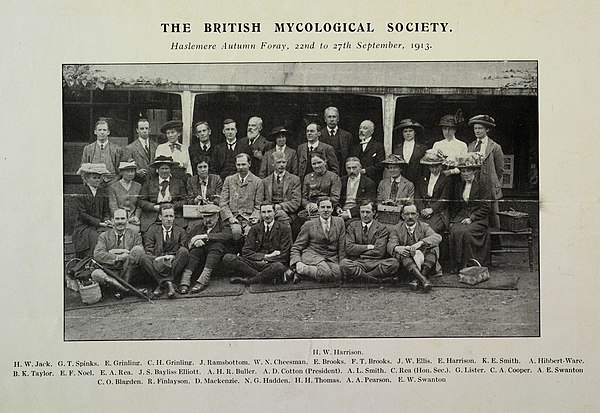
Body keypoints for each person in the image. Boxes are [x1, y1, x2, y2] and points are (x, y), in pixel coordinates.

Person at [225, 202, 293, 285]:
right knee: (228, 258)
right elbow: (246, 251)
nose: (266, 215)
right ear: (260, 214)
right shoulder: (254, 229)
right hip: (255, 262)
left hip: (271, 263)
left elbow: (284, 255)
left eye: (269, 211)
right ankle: (264, 277)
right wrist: (265, 257)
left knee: (278, 266)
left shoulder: (283, 229)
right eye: (263, 212)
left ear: (274, 212)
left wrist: (267, 260)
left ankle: (249, 281)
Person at [448, 153, 491, 273]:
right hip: (462, 216)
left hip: (479, 218)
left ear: (474, 171)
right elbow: (457, 206)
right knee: (454, 231)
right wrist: (452, 220)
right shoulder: (459, 186)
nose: (466, 174)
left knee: (466, 232)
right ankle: (457, 264)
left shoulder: (483, 185)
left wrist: (472, 218)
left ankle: (469, 264)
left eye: (468, 171)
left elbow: (486, 207)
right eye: (463, 171)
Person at [91, 208, 148, 298]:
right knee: (96, 274)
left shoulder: (135, 234)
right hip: (111, 271)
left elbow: (140, 252)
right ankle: (126, 289)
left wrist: (111, 252)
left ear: (127, 220)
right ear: (112, 220)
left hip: (129, 271)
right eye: (117, 219)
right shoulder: (104, 236)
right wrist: (119, 257)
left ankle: (121, 288)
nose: (120, 222)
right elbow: (97, 255)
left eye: (122, 218)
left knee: (137, 249)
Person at [340, 201, 399, 282]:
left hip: (376, 262)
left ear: (374, 212)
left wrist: (358, 251)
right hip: (358, 262)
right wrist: (368, 247)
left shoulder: (382, 228)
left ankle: (362, 277)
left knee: (394, 263)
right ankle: (376, 280)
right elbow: (349, 248)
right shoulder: (352, 226)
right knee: (344, 263)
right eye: (362, 212)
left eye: (368, 212)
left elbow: (379, 251)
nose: (364, 215)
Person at [387, 204, 442, 292]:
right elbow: (391, 243)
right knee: (401, 253)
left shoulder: (424, 226)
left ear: (417, 215)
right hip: (406, 265)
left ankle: (418, 279)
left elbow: (437, 237)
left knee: (433, 248)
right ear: (402, 216)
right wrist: (397, 248)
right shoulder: (396, 228)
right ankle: (424, 280)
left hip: (424, 262)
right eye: (407, 214)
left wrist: (420, 243)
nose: (410, 217)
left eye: (412, 214)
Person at [289, 198, 346, 283]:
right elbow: (297, 247)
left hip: (330, 257)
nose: (325, 210)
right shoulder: (309, 224)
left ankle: (303, 276)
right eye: (323, 207)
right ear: (318, 209)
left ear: (332, 209)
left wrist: (342, 262)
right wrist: (297, 262)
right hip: (313, 255)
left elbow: (342, 246)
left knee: (338, 273)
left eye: (328, 207)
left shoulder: (339, 222)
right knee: (325, 273)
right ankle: (301, 270)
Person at [181, 204, 232, 293]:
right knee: (196, 250)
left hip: (216, 263)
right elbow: (188, 241)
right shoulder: (198, 228)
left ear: (217, 215)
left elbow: (226, 236)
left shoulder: (224, 226)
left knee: (217, 245)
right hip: (200, 262)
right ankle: (185, 280)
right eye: (205, 217)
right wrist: (194, 243)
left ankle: (203, 280)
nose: (207, 220)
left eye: (210, 216)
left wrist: (204, 237)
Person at [141, 204, 188, 298]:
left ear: (174, 217)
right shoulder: (152, 230)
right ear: (160, 217)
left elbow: (183, 248)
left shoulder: (180, 231)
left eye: (171, 216)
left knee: (184, 251)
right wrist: (159, 258)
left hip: (173, 263)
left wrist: (173, 257)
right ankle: (169, 283)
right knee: (143, 258)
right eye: (166, 216)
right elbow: (148, 250)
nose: (169, 219)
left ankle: (162, 284)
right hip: (158, 262)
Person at [467, 114, 504, 228]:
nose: (477, 131)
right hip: (475, 187)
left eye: (480, 128)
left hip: (490, 188)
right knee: (476, 215)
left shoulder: (495, 147)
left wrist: (494, 184)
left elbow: (500, 169)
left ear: (487, 129)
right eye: (475, 128)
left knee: (493, 217)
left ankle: (496, 244)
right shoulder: (471, 146)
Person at [219, 153, 264, 240]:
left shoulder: (257, 182)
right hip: (233, 218)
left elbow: (259, 205)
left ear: (249, 164)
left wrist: (254, 218)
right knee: (236, 232)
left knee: (249, 232)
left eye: (243, 164)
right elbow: (223, 202)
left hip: (249, 219)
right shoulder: (229, 180)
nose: (241, 167)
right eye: (238, 165)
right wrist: (230, 217)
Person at [72, 163, 112, 258]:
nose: (98, 180)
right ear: (87, 179)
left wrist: (107, 219)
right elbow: (83, 215)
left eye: (99, 177)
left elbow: (106, 210)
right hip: (84, 226)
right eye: (94, 178)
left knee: (111, 236)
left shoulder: (102, 192)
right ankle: (90, 262)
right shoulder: (81, 192)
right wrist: (99, 223)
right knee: (95, 239)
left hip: (100, 225)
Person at [138, 155, 187, 233]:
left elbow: (185, 200)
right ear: (157, 170)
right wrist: (154, 207)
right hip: (153, 216)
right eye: (162, 168)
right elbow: (141, 201)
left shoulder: (178, 182)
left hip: (174, 216)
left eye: (166, 168)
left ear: (170, 170)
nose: (164, 171)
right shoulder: (149, 183)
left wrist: (173, 206)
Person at [415, 150, 452, 234]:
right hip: (423, 211)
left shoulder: (446, 179)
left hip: (438, 212)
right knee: (416, 227)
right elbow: (418, 196)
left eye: (437, 166)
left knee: (431, 229)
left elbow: (444, 198)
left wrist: (432, 209)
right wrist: (422, 210)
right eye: (432, 167)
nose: (434, 169)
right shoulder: (423, 178)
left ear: (441, 165)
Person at [263, 150, 301, 226]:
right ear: (273, 163)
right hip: (268, 211)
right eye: (279, 162)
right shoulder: (265, 181)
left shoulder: (294, 180)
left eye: (284, 162)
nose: (282, 165)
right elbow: (262, 200)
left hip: (288, 212)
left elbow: (296, 202)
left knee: (282, 216)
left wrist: (280, 206)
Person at [300, 151, 341, 219]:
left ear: (325, 162)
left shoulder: (334, 177)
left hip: (327, 208)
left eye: (319, 162)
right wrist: (307, 205)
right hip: (311, 209)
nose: (317, 166)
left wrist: (318, 205)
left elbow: (335, 198)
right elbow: (304, 197)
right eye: (314, 164)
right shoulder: (307, 177)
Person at [81, 118, 122, 185]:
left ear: (108, 132)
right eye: (99, 130)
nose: (102, 132)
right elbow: (83, 169)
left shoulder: (116, 149)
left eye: (104, 130)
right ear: (95, 132)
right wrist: (88, 183)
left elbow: (119, 171)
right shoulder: (88, 149)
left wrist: (113, 183)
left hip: (112, 184)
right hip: (93, 185)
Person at [338, 157, 377, 225]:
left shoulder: (368, 183)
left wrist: (349, 213)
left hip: (358, 213)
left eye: (354, 168)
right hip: (341, 211)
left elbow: (367, 203)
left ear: (360, 168)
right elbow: (337, 197)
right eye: (349, 168)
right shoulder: (341, 181)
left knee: (348, 224)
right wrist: (337, 207)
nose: (351, 171)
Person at [108, 161, 142, 232]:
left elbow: (139, 205)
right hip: (118, 218)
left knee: (134, 231)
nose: (130, 174)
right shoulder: (114, 187)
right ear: (122, 172)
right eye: (127, 171)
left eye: (132, 171)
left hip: (133, 219)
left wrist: (136, 217)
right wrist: (123, 218)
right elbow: (113, 206)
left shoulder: (138, 186)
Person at [121, 118, 158, 184]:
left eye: (146, 128)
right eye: (142, 129)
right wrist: (136, 172)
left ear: (149, 130)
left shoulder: (156, 146)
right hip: (138, 182)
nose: (144, 131)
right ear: (137, 130)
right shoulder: (130, 148)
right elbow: (126, 166)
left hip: (154, 182)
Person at [393, 119, 427, 186]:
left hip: (418, 182)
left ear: (415, 132)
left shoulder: (422, 148)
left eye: (410, 131)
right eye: (405, 131)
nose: (408, 133)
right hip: (401, 182)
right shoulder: (397, 148)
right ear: (402, 133)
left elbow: (425, 167)